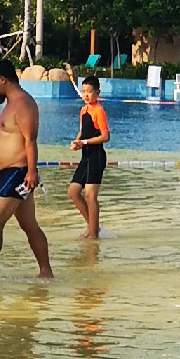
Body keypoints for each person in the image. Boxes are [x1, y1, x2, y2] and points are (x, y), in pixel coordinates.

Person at [0, 57, 53, 279]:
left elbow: (30, 139)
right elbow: (4, 136)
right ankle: (46, 272)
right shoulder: (11, 104)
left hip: (17, 172)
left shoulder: (23, 103)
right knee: (29, 225)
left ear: (3, 79)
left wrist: (31, 172)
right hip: (11, 173)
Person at [67, 74, 111, 240]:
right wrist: (76, 141)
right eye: (83, 91)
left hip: (96, 156)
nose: (85, 95)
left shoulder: (99, 111)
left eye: (89, 92)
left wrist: (84, 142)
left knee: (90, 196)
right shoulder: (83, 110)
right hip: (85, 156)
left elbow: (105, 136)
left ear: (97, 93)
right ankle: (94, 227)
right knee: (73, 191)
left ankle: (93, 236)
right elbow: (82, 131)